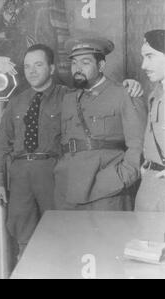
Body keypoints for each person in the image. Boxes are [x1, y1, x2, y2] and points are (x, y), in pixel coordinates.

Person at [0, 44, 68, 259]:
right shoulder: (16, 102)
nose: (32, 71)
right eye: (27, 66)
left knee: (58, 232)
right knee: (23, 235)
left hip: (51, 172)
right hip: (20, 175)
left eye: (38, 65)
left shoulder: (67, 96)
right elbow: (1, 144)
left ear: (52, 68)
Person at [54, 37, 147, 211]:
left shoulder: (124, 94)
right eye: (74, 63)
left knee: (110, 238)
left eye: (85, 62)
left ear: (101, 66)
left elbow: (139, 145)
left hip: (108, 189)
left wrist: (122, 177)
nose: (78, 69)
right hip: (68, 189)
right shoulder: (68, 99)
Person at [135, 29, 165, 212]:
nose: (143, 65)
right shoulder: (155, 94)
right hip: (150, 185)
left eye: (150, 57)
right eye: (143, 57)